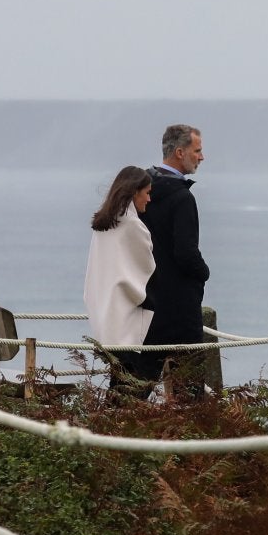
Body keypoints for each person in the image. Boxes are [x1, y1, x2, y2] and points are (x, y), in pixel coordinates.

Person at [136, 124, 210, 396]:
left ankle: (107, 436)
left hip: (145, 299)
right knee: (189, 392)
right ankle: (191, 439)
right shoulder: (181, 197)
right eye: (197, 151)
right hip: (180, 307)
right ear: (180, 152)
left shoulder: (140, 190)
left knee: (133, 386)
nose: (201, 157)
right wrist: (204, 273)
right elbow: (186, 253)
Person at [82, 166, 155, 394]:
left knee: (119, 383)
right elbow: (147, 268)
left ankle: (106, 427)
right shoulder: (132, 225)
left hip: (104, 313)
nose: (149, 199)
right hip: (127, 320)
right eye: (147, 192)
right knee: (130, 388)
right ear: (135, 193)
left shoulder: (103, 223)